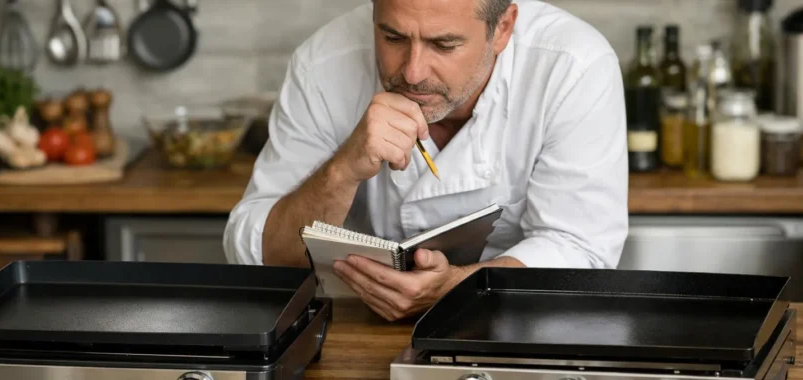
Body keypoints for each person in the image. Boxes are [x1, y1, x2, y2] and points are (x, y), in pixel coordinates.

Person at [224, 0, 628, 321]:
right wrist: (343, 169)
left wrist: (455, 287)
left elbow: (581, 249)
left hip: (519, 326)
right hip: (352, 325)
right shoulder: (322, 65)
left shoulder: (573, 65)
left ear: (502, 28)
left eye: (444, 44)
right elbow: (253, 252)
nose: (413, 73)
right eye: (393, 37)